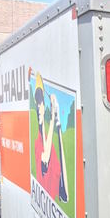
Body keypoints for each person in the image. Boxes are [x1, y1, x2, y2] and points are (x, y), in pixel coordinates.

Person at [34, 73, 69, 202]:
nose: (39, 107)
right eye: (38, 103)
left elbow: (64, 194)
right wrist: (54, 119)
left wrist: (58, 126)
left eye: (41, 102)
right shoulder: (38, 143)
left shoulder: (50, 144)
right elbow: (45, 158)